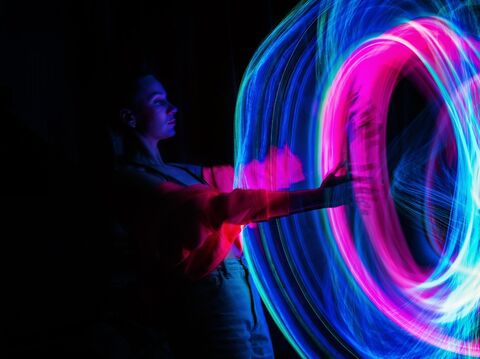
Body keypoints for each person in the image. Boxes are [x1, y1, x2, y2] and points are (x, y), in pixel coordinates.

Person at [109, 70, 353, 359]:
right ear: (130, 118)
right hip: (208, 295)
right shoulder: (129, 179)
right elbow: (216, 208)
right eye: (158, 101)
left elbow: (258, 175)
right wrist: (317, 198)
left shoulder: (182, 172)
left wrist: (324, 120)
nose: (173, 108)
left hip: (240, 286)